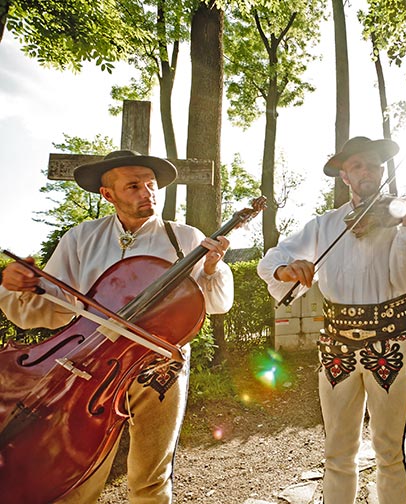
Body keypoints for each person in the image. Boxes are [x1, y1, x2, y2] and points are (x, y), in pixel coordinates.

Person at [0, 150, 234, 503]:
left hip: (159, 372)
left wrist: (213, 268)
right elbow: (52, 307)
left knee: (150, 479)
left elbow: (215, 305)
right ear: (108, 194)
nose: (148, 193)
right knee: (80, 477)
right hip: (89, 371)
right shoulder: (81, 238)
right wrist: (19, 286)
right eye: (134, 186)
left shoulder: (184, 239)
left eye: (152, 185)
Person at [257, 136, 406, 504]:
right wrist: (284, 270)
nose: (367, 172)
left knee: (390, 451)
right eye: (357, 166)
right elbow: (273, 258)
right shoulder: (325, 225)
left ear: (382, 170)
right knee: (338, 452)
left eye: (373, 165)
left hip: (390, 345)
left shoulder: (402, 216)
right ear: (344, 175)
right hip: (337, 348)